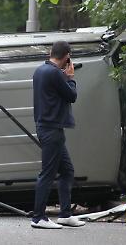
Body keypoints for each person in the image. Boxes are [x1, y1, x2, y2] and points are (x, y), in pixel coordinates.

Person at [30, 41, 85, 229]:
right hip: (51, 129)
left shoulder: (41, 71)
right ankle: (38, 217)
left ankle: (65, 214)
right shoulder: (55, 73)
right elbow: (72, 96)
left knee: (67, 171)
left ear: (50, 52)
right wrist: (70, 77)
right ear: (67, 56)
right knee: (47, 173)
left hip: (48, 128)